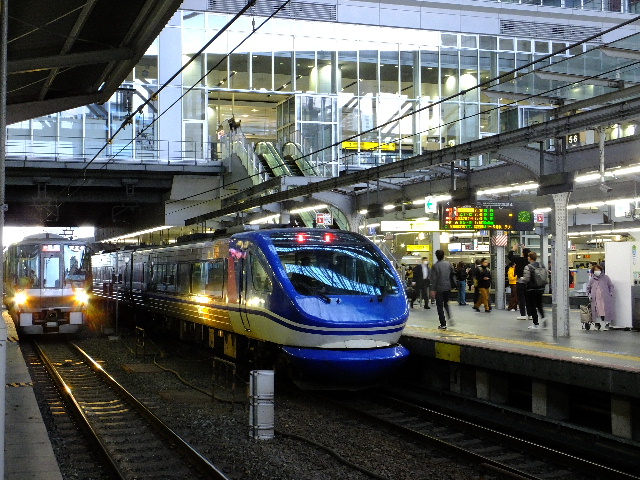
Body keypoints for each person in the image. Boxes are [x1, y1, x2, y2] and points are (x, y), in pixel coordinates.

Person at [430, 250, 455, 329]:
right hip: (447, 287)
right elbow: (452, 274)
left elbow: (434, 279)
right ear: (443, 255)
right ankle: (449, 317)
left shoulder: (435, 266)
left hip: (439, 288)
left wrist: (432, 289)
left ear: (436, 256)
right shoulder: (448, 264)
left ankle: (443, 324)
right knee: (446, 304)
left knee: (439, 306)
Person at [521, 251, 545, 329]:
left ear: (529, 258)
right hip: (541, 287)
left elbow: (526, 279)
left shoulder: (528, 267)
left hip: (531, 289)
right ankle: (543, 318)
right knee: (539, 304)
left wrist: (522, 279)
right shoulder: (541, 265)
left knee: (533, 306)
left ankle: (535, 323)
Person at [586, 264, 614, 330]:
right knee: (597, 311)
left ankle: (607, 324)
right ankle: (597, 324)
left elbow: (611, 286)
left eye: (598, 269)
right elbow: (588, 288)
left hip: (605, 298)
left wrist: (610, 293)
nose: (597, 271)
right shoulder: (592, 279)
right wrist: (589, 295)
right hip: (595, 299)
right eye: (595, 270)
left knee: (605, 311)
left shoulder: (606, 278)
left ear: (601, 270)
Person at [508, 244, 531, 320]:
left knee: (521, 298)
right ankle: (530, 314)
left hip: (520, 281)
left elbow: (510, 257)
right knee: (529, 299)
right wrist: (525, 249)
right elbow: (529, 253)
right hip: (529, 282)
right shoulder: (530, 261)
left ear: (523, 254)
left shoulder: (520, 260)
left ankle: (523, 314)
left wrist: (513, 249)